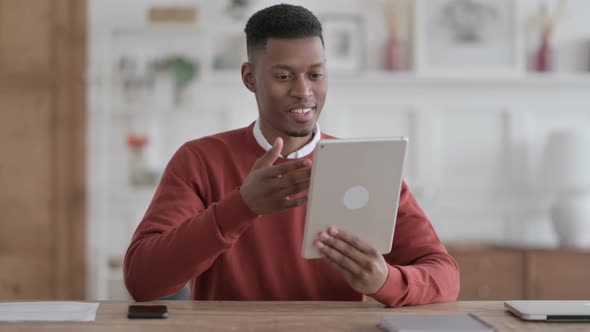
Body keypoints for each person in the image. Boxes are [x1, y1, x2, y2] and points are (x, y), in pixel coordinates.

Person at [124, 4, 460, 307]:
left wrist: (387, 281)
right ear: (250, 77)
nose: (303, 91)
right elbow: (142, 280)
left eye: (315, 74)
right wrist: (240, 207)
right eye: (284, 76)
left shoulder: (368, 165)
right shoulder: (199, 160)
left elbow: (444, 275)